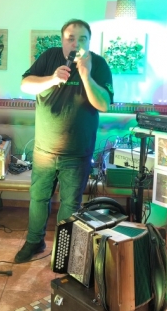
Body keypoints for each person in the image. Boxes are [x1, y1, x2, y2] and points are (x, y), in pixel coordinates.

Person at [14, 19, 114, 263]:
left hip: (77, 152)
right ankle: (34, 241)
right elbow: (25, 84)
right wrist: (51, 78)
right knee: (38, 199)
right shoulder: (49, 56)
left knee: (70, 205)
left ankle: (64, 251)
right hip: (44, 150)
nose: (76, 43)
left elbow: (104, 104)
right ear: (62, 40)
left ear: (89, 41)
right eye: (70, 38)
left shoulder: (99, 64)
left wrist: (86, 75)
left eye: (82, 39)